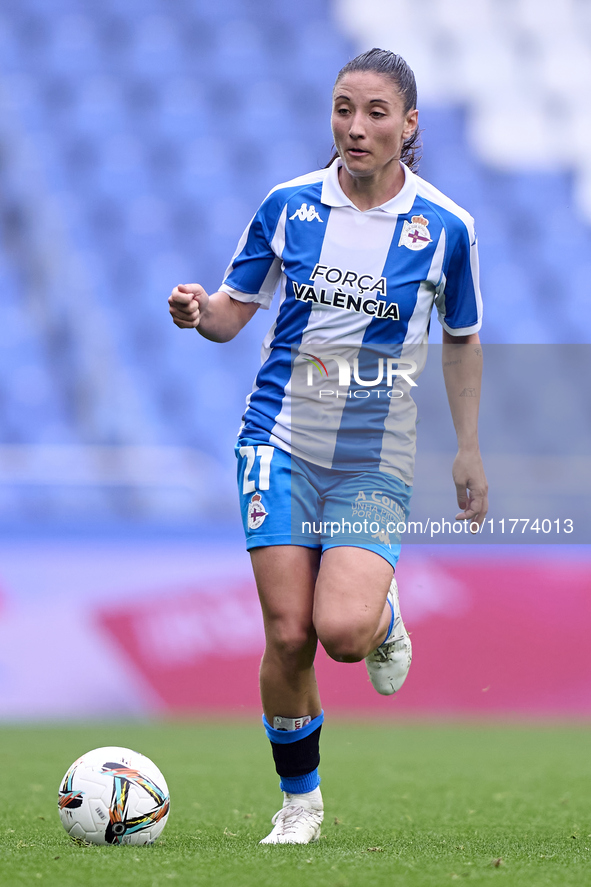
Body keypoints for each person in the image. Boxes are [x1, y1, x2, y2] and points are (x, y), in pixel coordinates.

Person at [169, 48, 488, 845]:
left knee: (341, 632)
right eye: (344, 108)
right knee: (287, 633)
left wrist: (469, 448)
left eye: (375, 111)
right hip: (275, 437)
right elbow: (230, 314)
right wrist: (195, 309)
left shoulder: (445, 227)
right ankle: (299, 803)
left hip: (372, 451)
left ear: (408, 124)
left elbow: (461, 339)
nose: (355, 126)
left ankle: (381, 621)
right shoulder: (287, 206)